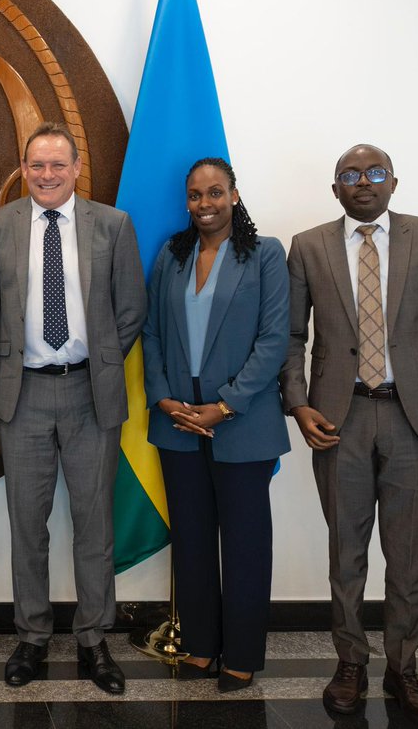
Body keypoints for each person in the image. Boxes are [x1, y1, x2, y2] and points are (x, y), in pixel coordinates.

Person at [281, 144, 418, 728]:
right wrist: (297, 404)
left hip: (416, 422)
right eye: (350, 175)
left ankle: (404, 668)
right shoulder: (309, 246)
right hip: (338, 421)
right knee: (345, 555)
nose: (363, 183)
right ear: (336, 189)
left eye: (374, 173)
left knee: (407, 558)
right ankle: (349, 664)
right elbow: (292, 338)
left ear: (394, 182)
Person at [0, 122, 145, 694]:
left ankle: (94, 638)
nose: (46, 175)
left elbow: (131, 309)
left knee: (94, 524)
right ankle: (32, 635)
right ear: (23, 170)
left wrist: (96, 361)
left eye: (57, 165)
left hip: (88, 395)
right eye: (36, 166)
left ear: (77, 169)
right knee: (27, 523)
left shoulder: (114, 225)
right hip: (21, 395)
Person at [142, 157, 289, 692]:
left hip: (241, 421)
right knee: (194, 541)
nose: (206, 204)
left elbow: (274, 340)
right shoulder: (172, 255)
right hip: (178, 420)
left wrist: (224, 406)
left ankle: (242, 654)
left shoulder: (265, 254)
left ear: (234, 195)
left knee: (246, 543)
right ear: (187, 201)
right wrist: (163, 400)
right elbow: (151, 333)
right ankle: (201, 646)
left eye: (215, 193)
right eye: (196, 195)